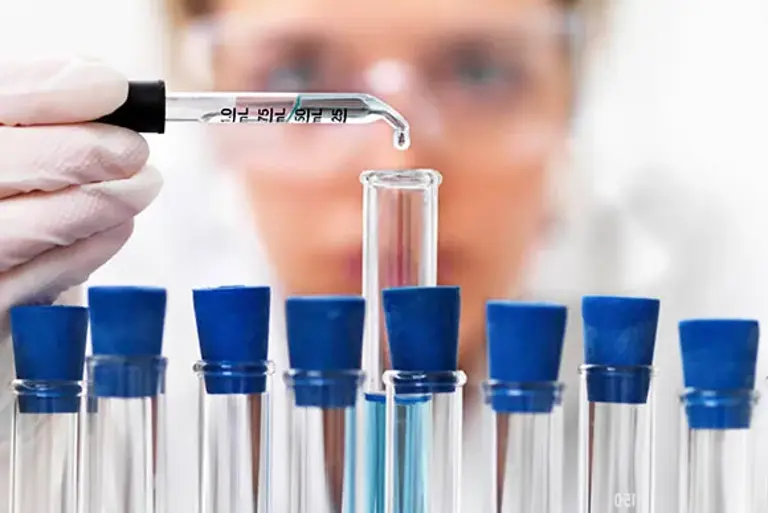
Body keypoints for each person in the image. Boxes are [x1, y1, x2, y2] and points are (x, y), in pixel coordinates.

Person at [0, 0, 694, 511]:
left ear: (572, 92)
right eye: (297, 69)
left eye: (481, 71)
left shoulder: (715, 290)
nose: (398, 153)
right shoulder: (76, 311)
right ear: (209, 85)